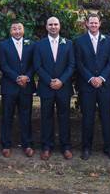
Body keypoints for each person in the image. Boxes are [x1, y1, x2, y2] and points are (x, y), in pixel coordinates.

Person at [73, 14, 110, 160]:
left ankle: (109, 148)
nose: (93, 25)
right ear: (86, 24)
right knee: (87, 118)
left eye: (96, 23)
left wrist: (101, 78)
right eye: (91, 23)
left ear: (100, 24)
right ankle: (86, 148)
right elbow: (79, 63)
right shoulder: (79, 41)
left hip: (104, 85)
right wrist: (91, 78)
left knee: (106, 117)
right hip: (87, 85)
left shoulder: (108, 41)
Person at [34, 16, 75, 160]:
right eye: (50, 24)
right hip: (46, 87)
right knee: (46, 117)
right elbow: (37, 66)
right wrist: (49, 80)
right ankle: (46, 146)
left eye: (55, 24)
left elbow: (71, 65)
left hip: (63, 87)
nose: (53, 27)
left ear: (60, 26)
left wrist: (61, 81)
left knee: (64, 117)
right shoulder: (39, 45)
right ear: (46, 27)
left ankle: (66, 147)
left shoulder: (68, 44)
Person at [0, 21, 36, 158]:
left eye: (19, 28)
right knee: (7, 116)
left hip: (26, 86)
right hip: (9, 86)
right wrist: (17, 78)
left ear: (23, 30)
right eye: (14, 29)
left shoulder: (31, 44)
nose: (17, 31)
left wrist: (27, 77)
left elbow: (34, 63)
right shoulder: (3, 45)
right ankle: (6, 145)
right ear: (10, 31)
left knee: (26, 116)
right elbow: (3, 65)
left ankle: (27, 144)